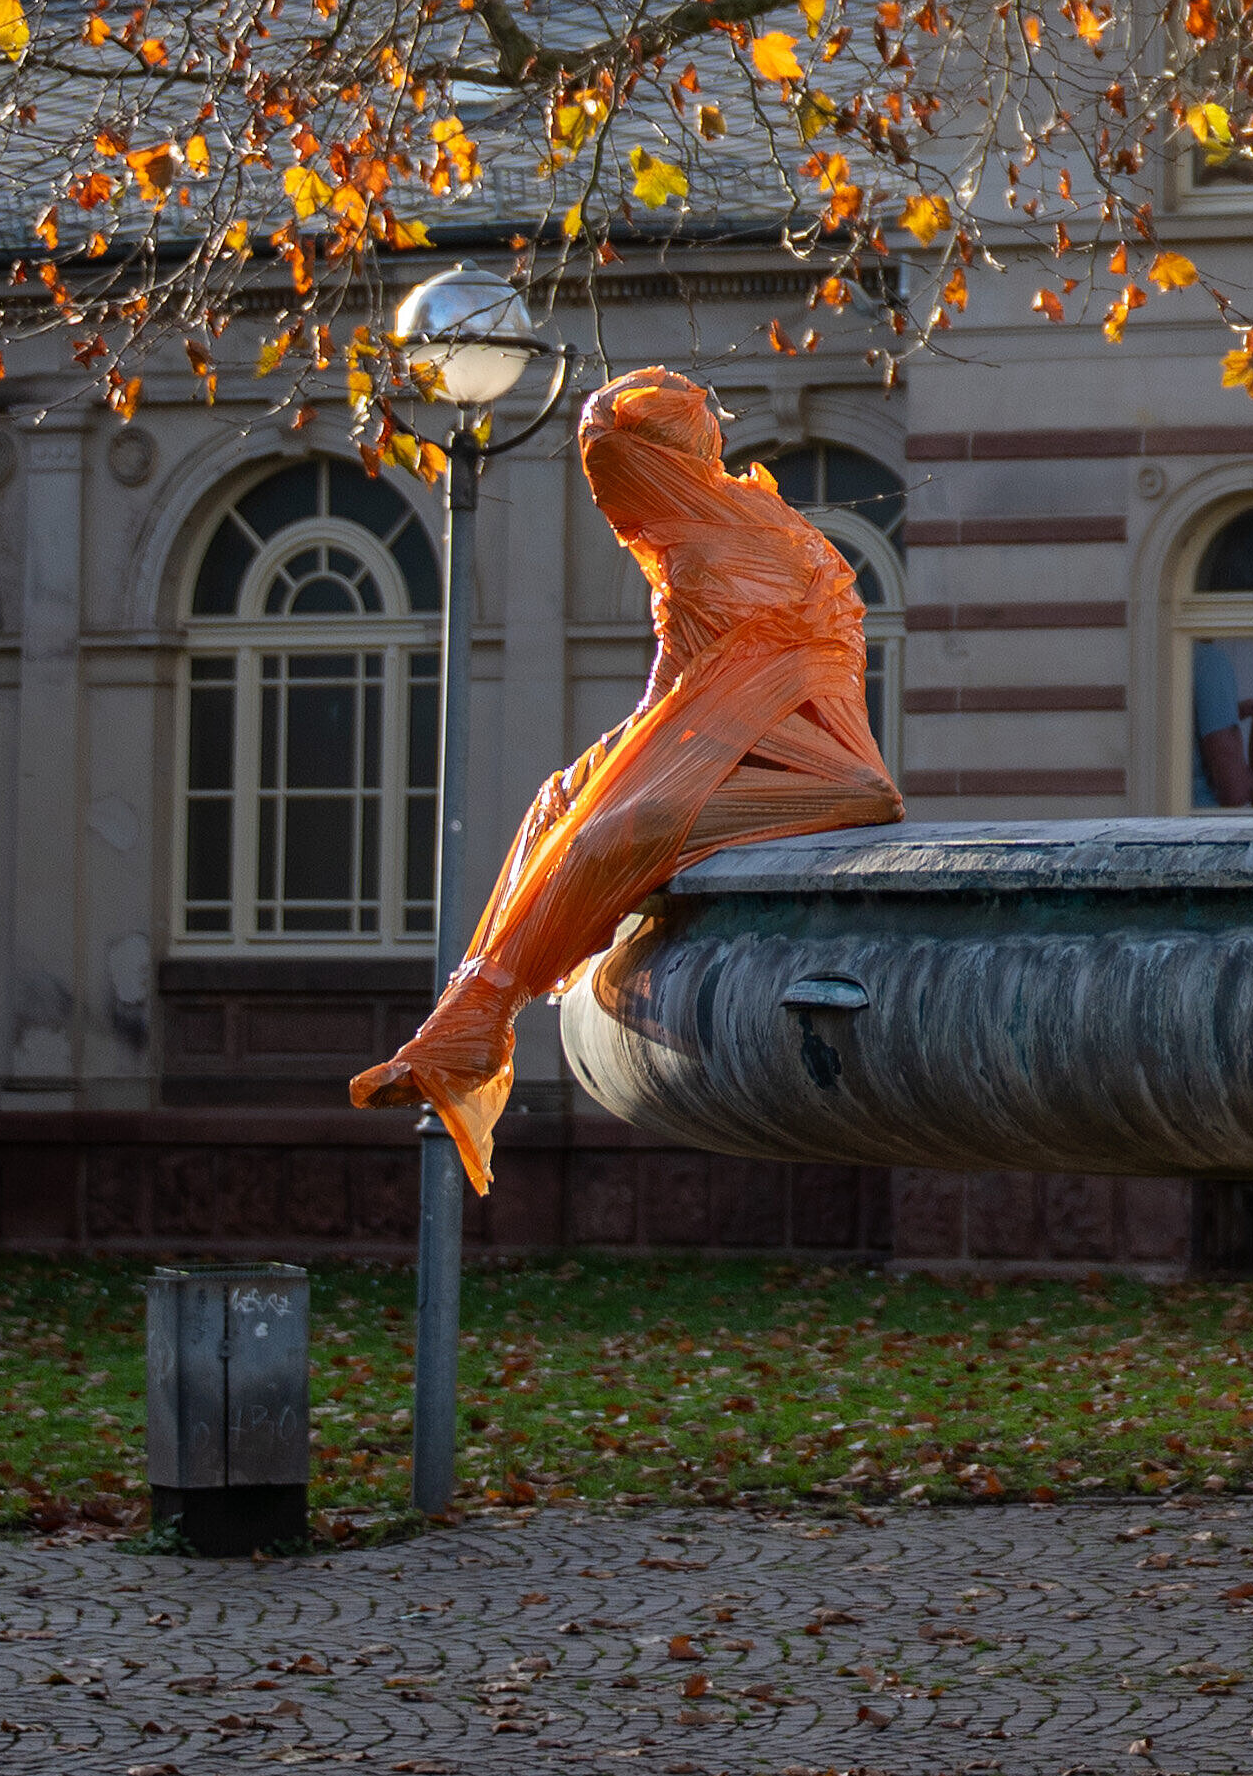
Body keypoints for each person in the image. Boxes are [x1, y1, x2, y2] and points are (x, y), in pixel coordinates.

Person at [349, 369, 898, 1193]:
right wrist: (604, 761)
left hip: (820, 771)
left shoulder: (724, 543)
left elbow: (737, 681)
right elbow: (677, 684)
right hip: (744, 740)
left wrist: (630, 765)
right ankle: (470, 1014)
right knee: (561, 798)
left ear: (656, 468)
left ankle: (482, 1017)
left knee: (616, 835)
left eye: (615, 482)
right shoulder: (692, 538)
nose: (611, 508)